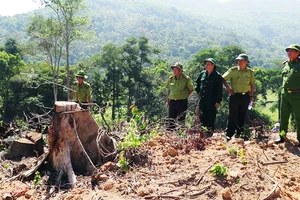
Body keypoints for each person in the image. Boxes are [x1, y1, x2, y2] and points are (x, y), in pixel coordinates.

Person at [222, 54, 255, 141]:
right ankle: (229, 134)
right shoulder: (233, 71)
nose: (239, 62)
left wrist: (251, 96)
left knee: (242, 114)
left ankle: (240, 133)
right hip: (235, 96)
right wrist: (228, 89)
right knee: (233, 115)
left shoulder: (250, 72)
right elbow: (223, 78)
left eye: (241, 61)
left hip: (245, 96)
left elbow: (252, 84)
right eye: (238, 61)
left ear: (246, 62)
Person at [275, 44, 300, 147]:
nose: (289, 53)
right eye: (288, 51)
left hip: (297, 94)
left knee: (299, 117)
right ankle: (282, 136)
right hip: (285, 94)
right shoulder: (286, 64)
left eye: (292, 51)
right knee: (283, 116)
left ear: (298, 53)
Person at [195, 58, 223, 136]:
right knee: (202, 117)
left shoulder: (217, 76)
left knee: (210, 118)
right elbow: (197, 83)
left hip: (212, 101)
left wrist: (218, 101)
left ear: (213, 65)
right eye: (206, 64)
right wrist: (198, 91)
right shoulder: (202, 74)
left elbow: (219, 90)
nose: (206, 66)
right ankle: (202, 134)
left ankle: (209, 135)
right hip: (202, 100)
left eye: (208, 64)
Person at [166, 62, 194, 131]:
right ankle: (170, 135)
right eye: (174, 69)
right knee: (171, 119)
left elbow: (191, 89)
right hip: (172, 101)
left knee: (180, 120)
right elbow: (169, 89)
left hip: (182, 102)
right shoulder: (171, 79)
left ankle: (179, 135)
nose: (174, 71)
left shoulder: (186, 79)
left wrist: (184, 96)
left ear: (180, 71)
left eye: (176, 69)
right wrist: (168, 99)